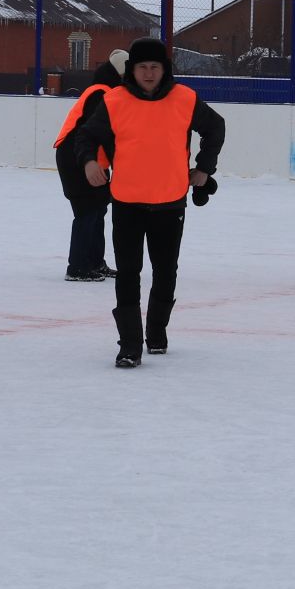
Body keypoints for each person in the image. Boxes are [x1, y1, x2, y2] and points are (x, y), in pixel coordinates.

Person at [74, 37, 225, 368]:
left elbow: (215, 128)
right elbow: (85, 135)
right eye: (142, 67)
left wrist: (203, 169)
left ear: (164, 69)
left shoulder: (185, 99)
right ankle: (129, 344)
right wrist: (89, 162)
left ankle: (156, 332)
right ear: (132, 70)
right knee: (129, 272)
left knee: (165, 272)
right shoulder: (114, 101)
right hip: (127, 202)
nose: (148, 73)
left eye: (154, 67)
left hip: (170, 203)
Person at [54, 50, 126, 281]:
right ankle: (77, 267)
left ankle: (95, 262)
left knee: (97, 211)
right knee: (86, 211)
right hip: (78, 159)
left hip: (91, 159)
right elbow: (96, 134)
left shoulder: (107, 93)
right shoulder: (101, 94)